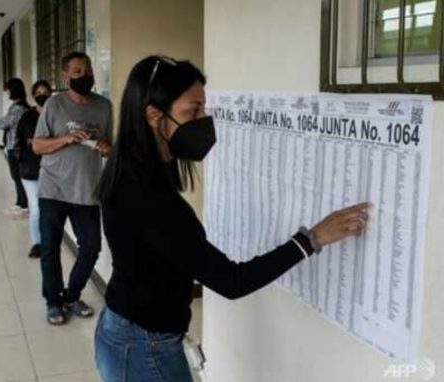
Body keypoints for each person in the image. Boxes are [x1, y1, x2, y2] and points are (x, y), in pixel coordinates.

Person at [93, 56, 370, 382]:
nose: (203, 119)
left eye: (204, 109)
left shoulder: (134, 166)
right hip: (143, 346)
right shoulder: (147, 194)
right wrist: (312, 239)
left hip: (128, 329)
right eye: (192, 111)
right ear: (154, 115)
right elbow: (231, 281)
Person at [32, 52, 113, 325]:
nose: (84, 75)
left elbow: (108, 146)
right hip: (53, 189)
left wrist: (105, 147)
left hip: (87, 189)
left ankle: (71, 295)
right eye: (77, 71)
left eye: (87, 70)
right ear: (65, 75)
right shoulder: (54, 105)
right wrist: (65, 139)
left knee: (91, 247)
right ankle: (53, 301)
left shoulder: (104, 106)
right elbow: (37, 145)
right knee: (50, 249)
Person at [15, 80, 52, 258]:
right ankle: (37, 243)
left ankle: (50, 240)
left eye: (45, 92)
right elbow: (18, 142)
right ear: (33, 95)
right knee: (36, 208)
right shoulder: (27, 117)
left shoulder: (55, 115)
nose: (42, 95)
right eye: (38, 92)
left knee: (50, 209)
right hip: (31, 170)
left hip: (53, 170)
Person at [0, 78, 30, 217]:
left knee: (17, 176)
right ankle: (20, 202)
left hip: (15, 147)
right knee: (16, 176)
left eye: (8, 90)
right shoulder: (20, 106)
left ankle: (24, 205)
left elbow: (2, 123)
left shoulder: (18, 108)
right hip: (14, 146)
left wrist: (2, 119)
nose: (7, 93)